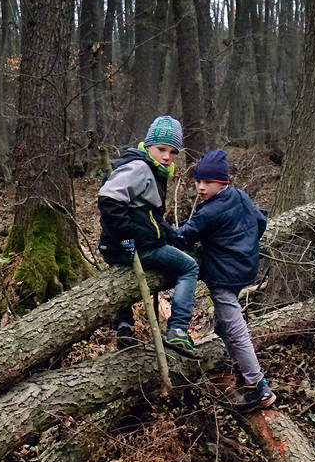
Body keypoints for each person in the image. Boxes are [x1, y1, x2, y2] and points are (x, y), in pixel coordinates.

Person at [171, 149, 276, 413]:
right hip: (246, 270)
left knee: (234, 328)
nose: (201, 187)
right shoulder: (240, 197)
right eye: (198, 181)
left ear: (223, 182)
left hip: (223, 277)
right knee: (222, 325)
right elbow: (260, 222)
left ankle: (258, 386)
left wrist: (164, 233)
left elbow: (184, 237)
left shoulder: (210, 212)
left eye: (208, 182)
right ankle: (240, 368)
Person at [97, 115, 200, 359]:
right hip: (135, 246)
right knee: (189, 266)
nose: (167, 156)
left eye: (173, 152)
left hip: (120, 246)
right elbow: (108, 200)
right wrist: (127, 237)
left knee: (125, 276)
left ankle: (125, 325)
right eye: (161, 149)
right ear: (148, 145)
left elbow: (149, 217)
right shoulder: (140, 167)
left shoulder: (149, 168)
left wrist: (172, 236)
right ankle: (177, 329)